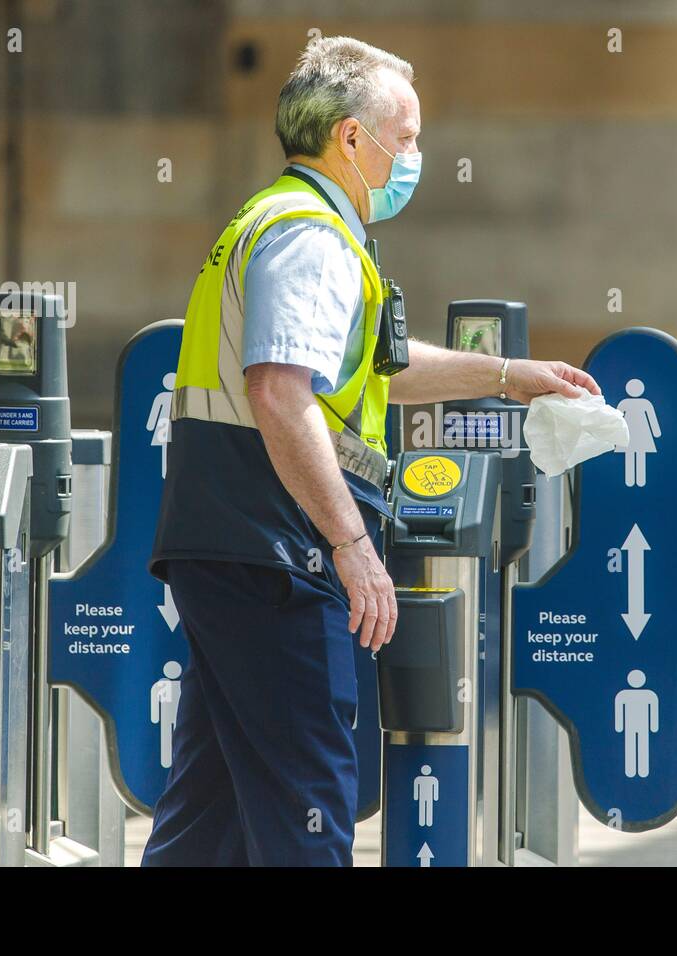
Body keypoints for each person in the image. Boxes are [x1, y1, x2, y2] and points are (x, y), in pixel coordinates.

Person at [143, 37, 600, 866]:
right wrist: (353, 547)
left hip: (229, 544)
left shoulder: (278, 219)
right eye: (409, 136)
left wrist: (506, 374)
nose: (416, 156)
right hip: (281, 554)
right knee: (311, 805)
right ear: (352, 138)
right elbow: (281, 391)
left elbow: (378, 371)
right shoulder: (311, 238)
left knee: (206, 815)